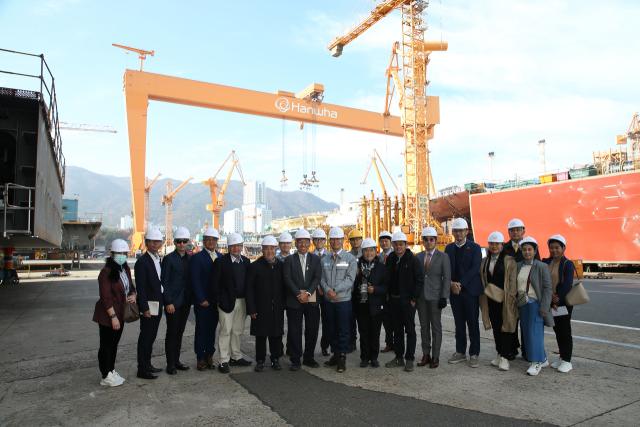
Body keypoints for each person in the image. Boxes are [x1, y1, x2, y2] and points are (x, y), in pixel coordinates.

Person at [93, 239, 136, 386]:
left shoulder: (125, 269)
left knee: (114, 344)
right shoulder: (106, 272)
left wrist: (133, 295)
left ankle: (111, 370)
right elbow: (105, 297)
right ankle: (105, 375)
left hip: (120, 314)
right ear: (112, 254)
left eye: (124, 253)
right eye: (119, 253)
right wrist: (113, 316)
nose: (122, 256)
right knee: (106, 346)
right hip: (109, 315)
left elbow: (131, 287)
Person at [211, 232, 252, 373]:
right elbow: (214, 283)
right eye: (233, 245)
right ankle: (223, 360)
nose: (236, 248)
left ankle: (236, 356)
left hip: (242, 301)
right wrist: (218, 300)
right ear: (228, 246)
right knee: (225, 331)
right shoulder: (221, 262)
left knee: (238, 331)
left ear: (242, 246)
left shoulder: (246, 262)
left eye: (238, 245)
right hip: (226, 302)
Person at [445, 218, 483, 368]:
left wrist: (459, 284)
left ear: (466, 232)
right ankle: (460, 352)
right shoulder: (449, 248)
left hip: (470, 292)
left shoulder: (475, 247)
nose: (458, 233)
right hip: (455, 292)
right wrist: (451, 284)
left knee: (472, 323)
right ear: (453, 232)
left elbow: (475, 268)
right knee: (459, 323)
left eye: (461, 230)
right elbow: (446, 268)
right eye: (456, 231)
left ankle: (474, 353)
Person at [282, 229, 322, 371]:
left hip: (312, 300)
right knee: (294, 331)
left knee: (312, 330)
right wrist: (299, 294)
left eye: (305, 242)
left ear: (310, 243)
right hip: (295, 300)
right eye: (300, 242)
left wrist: (308, 293)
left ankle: (309, 357)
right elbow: (287, 279)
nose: (303, 244)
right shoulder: (289, 260)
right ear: (296, 243)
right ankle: (295, 359)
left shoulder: (315, 259)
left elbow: (317, 277)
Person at [245, 236, 286, 372]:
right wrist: (251, 308)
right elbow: (249, 289)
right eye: (266, 248)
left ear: (276, 249)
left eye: (272, 248)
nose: (269, 251)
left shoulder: (281, 266)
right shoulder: (255, 266)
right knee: (261, 335)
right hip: (260, 307)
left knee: (276, 334)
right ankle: (260, 360)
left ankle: (275, 359)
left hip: (277, 307)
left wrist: (284, 305)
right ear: (262, 249)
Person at [384, 232, 424, 372]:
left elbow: (419, 280)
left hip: (407, 302)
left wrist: (414, 299)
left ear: (406, 245)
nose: (398, 246)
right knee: (397, 330)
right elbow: (386, 278)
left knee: (410, 330)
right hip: (394, 301)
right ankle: (399, 357)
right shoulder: (390, 259)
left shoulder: (413, 260)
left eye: (401, 244)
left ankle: (410, 359)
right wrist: (387, 294)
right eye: (396, 244)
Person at [478, 231, 518, 371]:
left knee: (505, 327)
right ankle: (499, 353)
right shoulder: (485, 261)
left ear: (502, 245)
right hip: (490, 300)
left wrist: (511, 300)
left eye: (497, 244)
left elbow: (512, 283)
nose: (494, 246)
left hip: (505, 301)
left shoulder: (509, 261)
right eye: (492, 244)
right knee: (496, 327)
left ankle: (505, 357)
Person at [321, 227, 358, 372]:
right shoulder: (324, 260)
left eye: (338, 239)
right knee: (332, 328)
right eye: (333, 239)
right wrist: (327, 291)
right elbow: (321, 278)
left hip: (343, 301)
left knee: (344, 329)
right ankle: (335, 353)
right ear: (329, 241)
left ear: (343, 240)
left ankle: (343, 356)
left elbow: (350, 279)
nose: (336, 241)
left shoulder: (350, 259)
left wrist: (334, 291)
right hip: (329, 301)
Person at [504, 218, 539, 361]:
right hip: (510, 292)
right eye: (512, 230)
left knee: (526, 324)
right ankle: (512, 349)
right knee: (511, 321)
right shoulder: (504, 248)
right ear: (508, 232)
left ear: (523, 231)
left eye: (518, 230)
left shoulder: (529, 246)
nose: (515, 232)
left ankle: (527, 350)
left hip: (526, 291)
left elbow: (537, 267)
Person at [517, 236, 554, 376]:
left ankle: (536, 362)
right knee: (527, 333)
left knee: (535, 333)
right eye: (524, 249)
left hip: (535, 305)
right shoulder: (519, 266)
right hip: (523, 304)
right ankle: (543, 357)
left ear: (535, 250)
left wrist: (545, 307)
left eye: (530, 249)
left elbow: (548, 288)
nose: (527, 252)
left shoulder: (541, 266)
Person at [415, 227, 450, 369]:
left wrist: (444, 297)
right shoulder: (418, 257)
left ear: (435, 241)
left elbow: (446, 278)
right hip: (421, 297)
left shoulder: (443, 257)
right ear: (423, 241)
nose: (429, 242)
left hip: (436, 297)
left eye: (431, 239)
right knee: (424, 327)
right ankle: (426, 354)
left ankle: (435, 356)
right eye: (426, 239)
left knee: (436, 327)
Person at [190, 227, 222, 371]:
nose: (211, 242)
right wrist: (201, 299)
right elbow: (195, 280)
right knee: (201, 329)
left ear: (217, 241)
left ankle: (210, 356)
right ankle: (200, 358)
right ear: (203, 241)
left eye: (213, 239)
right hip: (203, 301)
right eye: (208, 239)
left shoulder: (220, 257)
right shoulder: (197, 258)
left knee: (212, 330)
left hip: (216, 302)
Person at [161, 227, 192, 375]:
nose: (182, 244)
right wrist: (168, 302)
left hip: (185, 301)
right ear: (174, 242)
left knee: (180, 332)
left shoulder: (190, 258)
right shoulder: (169, 259)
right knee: (172, 332)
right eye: (179, 241)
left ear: (188, 242)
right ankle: (170, 364)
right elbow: (165, 282)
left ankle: (177, 361)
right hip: (173, 302)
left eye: (184, 241)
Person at [353, 238, 388, 368]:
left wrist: (375, 290)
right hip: (361, 305)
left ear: (375, 251)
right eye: (366, 250)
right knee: (363, 332)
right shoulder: (357, 266)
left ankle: (374, 358)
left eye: (371, 250)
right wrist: (356, 275)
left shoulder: (381, 267)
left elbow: (386, 287)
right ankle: (364, 358)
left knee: (375, 333)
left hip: (376, 305)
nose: (369, 253)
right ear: (362, 252)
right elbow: (353, 286)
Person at [542, 234, 575, 373]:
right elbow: (542, 280)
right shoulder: (546, 262)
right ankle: (562, 357)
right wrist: (551, 298)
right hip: (550, 300)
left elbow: (567, 284)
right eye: (552, 247)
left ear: (563, 248)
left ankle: (567, 361)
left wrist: (558, 299)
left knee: (565, 331)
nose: (554, 250)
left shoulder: (568, 264)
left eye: (557, 247)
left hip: (562, 303)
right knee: (557, 330)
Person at [136, 228, 165, 380]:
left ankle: (148, 364)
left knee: (152, 336)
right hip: (149, 305)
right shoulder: (142, 262)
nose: (155, 244)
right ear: (146, 242)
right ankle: (142, 368)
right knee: (146, 337)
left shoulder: (157, 259)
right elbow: (140, 288)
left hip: (157, 303)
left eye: (158, 241)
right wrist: (144, 308)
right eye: (153, 241)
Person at [312, 228, 331, 356]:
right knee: (312, 322)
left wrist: (325, 288)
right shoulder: (309, 256)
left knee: (327, 321)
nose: (319, 241)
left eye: (321, 239)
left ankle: (325, 346)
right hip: (313, 292)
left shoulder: (330, 256)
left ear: (325, 241)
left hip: (326, 292)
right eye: (316, 239)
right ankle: (311, 347)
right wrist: (316, 287)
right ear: (313, 241)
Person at [377, 230, 395, 353]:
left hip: (393, 294)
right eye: (382, 241)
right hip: (382, 294)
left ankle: (398, 344)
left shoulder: (396, 255)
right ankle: (389, 343)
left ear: (390, 242)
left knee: (396, 321)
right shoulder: (378, 258)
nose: (384, 243)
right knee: (386, 320)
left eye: (386, 241)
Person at [348, 229, 363, 353]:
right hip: (351, 292)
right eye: (353, 239)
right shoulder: (347, 256)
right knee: (351, 319)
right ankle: (352, 341)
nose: (355, 241)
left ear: (361, 240)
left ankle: (364, 342)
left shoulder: (367, 253)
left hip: (363, 292)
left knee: (363, 320)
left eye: (357, 239)